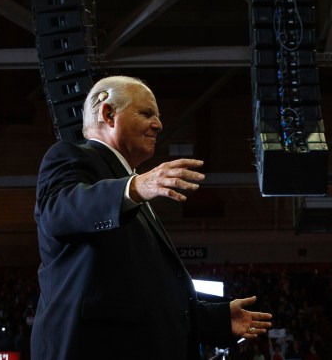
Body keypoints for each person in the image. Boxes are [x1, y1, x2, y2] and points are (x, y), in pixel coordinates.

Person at [31, 75, 273, 360]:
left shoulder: (131, 192)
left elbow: (146, 296)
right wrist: (136, 186)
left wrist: (215, 319)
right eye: (146, 113)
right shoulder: (72, 158)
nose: (158, 125)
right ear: (108, 114)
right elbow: (56, 211)